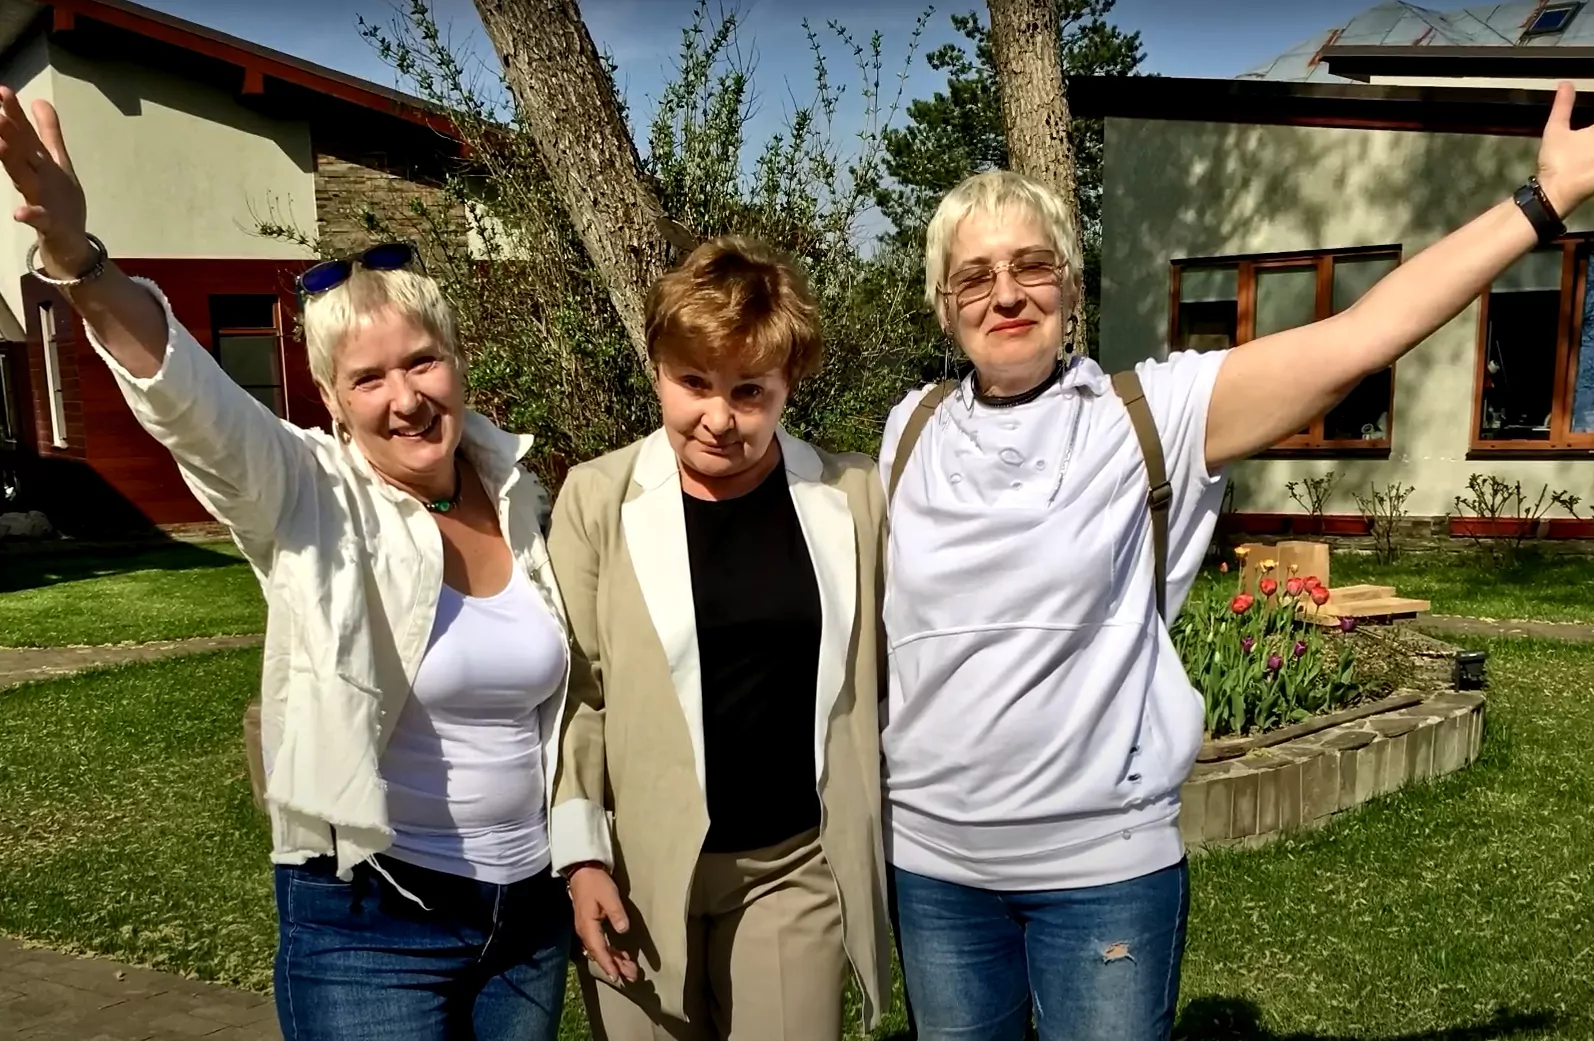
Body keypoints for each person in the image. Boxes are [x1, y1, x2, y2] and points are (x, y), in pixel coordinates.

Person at [878, 84, 1594, 1041]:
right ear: (944, 306)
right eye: (974, 277)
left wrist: (1544, 200)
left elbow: (1361, 336)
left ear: (1071, 286)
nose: (1005, 294)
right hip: (934, 871)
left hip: (1102, 871)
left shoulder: (1153, 415)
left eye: (1031, 265)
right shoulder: (908, 433)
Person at [0, 88, 575, 1041]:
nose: (405, 397)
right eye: (368, 377)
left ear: (459, 360)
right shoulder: (303, 489)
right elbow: (191, 401)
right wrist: (81, 262)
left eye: (421, 361)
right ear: (330, 398)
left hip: (527, 919)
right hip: (371, 921)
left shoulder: (520, 491)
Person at [545, 235, 892, 1040]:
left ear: (788, 381)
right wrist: (582, 856)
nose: (718, 417)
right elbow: (578, 696)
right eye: (694, 382)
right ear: (658, 369)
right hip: (637, 868)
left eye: (749, 391)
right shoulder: (597, 499)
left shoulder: (853, 495)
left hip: (791, 866)